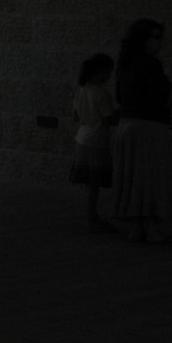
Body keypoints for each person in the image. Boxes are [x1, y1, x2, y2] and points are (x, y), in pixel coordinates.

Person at [113, 18, 172, 243]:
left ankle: (136, 226)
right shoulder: (150, 64)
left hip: (127, 125)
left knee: (134, 177)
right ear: (143, 39)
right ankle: (151, 227)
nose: (160, 43)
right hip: (149, 126)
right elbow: (158, 96)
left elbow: (119, 96)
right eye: (156, 37)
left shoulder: (125, 63)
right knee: (151, 177)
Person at [71, 53, 117, 234]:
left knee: (89, 182)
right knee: (95, 182)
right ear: (99, 72)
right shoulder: (100, 93)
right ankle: (91, 217)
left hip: (82, 138)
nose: (109, 76)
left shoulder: (81, 90)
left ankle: (91, 215)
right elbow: (108, 120)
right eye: (108, 72)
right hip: (97, 141)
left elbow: (75, 116)